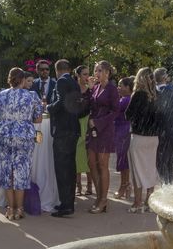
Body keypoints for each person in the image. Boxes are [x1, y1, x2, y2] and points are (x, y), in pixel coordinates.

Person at [0, 67, 43, 220]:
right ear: (23, 80)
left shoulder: (0, 95)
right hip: (24, 136)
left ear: (9, 79)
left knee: (6, 172)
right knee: (21, 172)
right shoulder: (31, 96)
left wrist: (7, 119)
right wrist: (23, 119)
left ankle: (10, 209)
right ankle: (19, 209)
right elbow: (38, 119)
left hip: (4, 135)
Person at [47, 59, 90, 218]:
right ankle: (68, 202)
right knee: (70, 168)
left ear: (57, 70)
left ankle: (66, 205)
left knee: (62, 168)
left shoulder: (61, 82)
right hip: (73, 129)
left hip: (63, 130)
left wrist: (48, 107)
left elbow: (61, 103)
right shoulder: (73, 82)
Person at [86, 60, 120, 214]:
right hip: (93, 130)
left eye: (99, 71)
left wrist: (98, 122)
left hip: (105, 130)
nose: (96, 74)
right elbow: (91, 106)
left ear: (107, 72)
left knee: (102, 165)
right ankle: (99, 195)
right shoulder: (96, 87)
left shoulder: (112, 89)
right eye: (95, 71)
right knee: (91, 163)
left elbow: (115, 111)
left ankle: (103, 199)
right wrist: (90, 90)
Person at [125, 67, 160, 213]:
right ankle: (149, 202)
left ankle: (137, 202)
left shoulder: (138, 95)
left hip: (139, 136)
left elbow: (128, 115)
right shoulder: (157, 95)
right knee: (150, 169)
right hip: (153, 137)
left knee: (137, 170)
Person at [154, 67, 173, 185]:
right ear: (165, 78)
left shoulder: (155, 92)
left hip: (161, 132)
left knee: (161, 161)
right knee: (168, 161)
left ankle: (165, 186)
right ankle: (168, 185)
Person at [73, 65, 93, 197]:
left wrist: (91, 90)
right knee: (77, 155)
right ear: (78, 75)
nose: (87, 77)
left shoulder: (92, 90)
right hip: (76, 123)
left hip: (89, 122)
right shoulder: (73, 88)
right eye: (85, 74)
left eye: (88, 74)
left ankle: (90, 186)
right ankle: (78, 185)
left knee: (89, 155)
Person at [113, 77, 133, 199]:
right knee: (124, 161)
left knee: (123, 161)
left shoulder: (125, 100)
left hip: (123, 133)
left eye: (121, 85)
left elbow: (113, 110)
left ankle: (123, 186)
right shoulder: (128, 99)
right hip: (124, 132)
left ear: (128, 87)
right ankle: (126, 185)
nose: (118, 88)